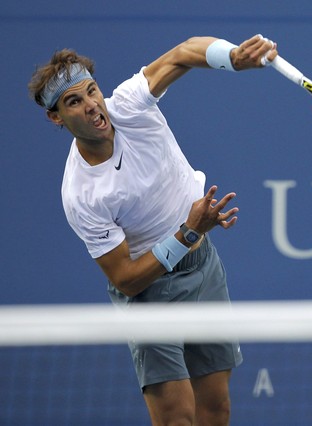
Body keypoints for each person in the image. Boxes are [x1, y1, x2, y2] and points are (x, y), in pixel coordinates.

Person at [28, 34, 278, 425]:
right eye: (74, 102)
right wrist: (188, 233)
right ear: (56, 117)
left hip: (203, 268)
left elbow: (184, 53)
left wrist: (233, 57)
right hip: (150, 295)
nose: (92, 105)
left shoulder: (128, 103)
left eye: (91, 91)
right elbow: (127, 279)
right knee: (177, 419)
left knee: (216, 410)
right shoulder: (81, 194)